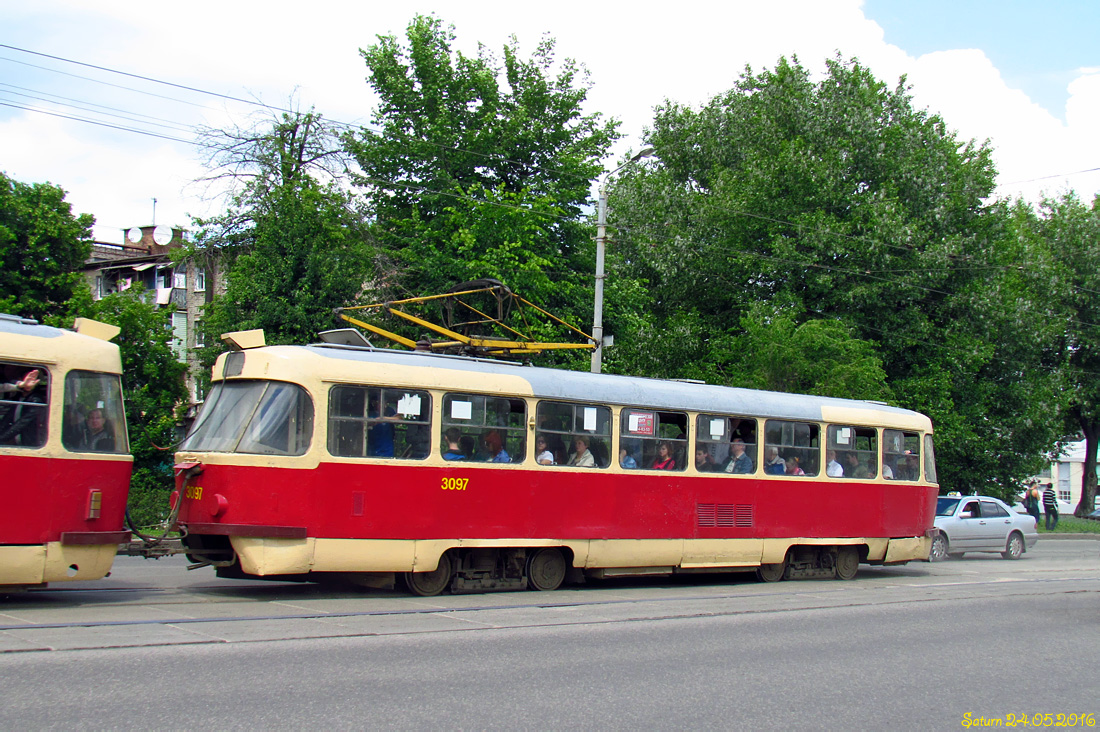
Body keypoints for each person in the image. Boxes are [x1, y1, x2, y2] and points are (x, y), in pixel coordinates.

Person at [0, 368, 46, 446]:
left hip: (30, 443)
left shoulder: (36, 400)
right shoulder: (19, 398)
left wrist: (2, 437)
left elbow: (21, 423)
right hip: (19, 440)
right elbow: (9, 417)